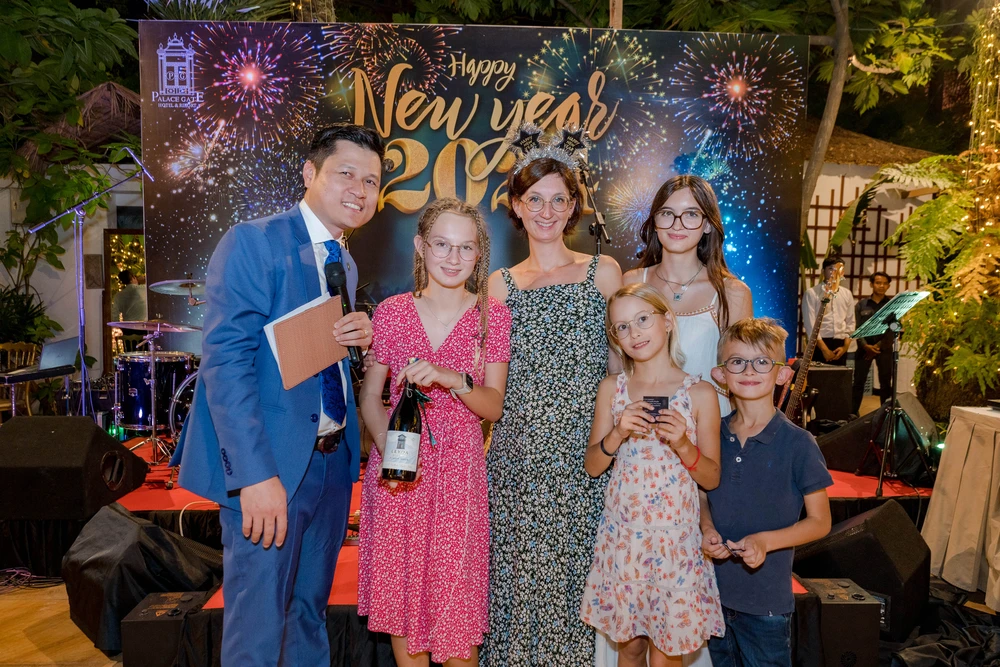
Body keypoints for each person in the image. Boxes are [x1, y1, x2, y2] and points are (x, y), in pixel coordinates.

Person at [171, 124, 381, 666]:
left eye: (372, 181)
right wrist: (254, 476)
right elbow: (226, 364)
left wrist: (357, 337)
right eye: (347, 173)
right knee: (258, 626)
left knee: (307, 616)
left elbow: (308, 356)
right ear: (310, 173)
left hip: (330, 466)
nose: (360, 189)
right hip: (272, 469)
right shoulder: (254, 241)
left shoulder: (343, 260)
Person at [484, 133, 623, 666]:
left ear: (573, 208)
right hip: (517, 460)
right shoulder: (497, 285)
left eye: (558, 199)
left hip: (584, 459)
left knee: (578, 587)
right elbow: (489, 379)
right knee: (517, 587)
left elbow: (620, 370)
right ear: (516, 206)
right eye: (534, 199)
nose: (546, 210)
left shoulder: (602, 272)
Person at [358, 197, 511, 666]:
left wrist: (454, 379)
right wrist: (392, 453)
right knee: (406, 620)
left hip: (459, 477)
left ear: (479, 253)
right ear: (421, 246)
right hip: (400, 478)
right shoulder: (391, 313)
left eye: (465, 247)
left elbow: (493, 405)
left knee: (457, 619)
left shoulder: (492, 315)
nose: (453, 257)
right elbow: (370, 397)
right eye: (442, 244)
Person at [580, 283, 724, 667]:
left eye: (643, 319)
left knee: (666, 653)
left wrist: (683, 444)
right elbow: (592, 466)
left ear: (667, 321)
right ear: (615, 337)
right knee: (630, 647)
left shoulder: (700, 393)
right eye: (622, 326)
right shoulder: (611, 389)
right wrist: (617, 433)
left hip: (676, 542)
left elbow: (711, 478)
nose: (635, 332)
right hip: (626, 539)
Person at [702, 318, 833, 667]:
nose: (749, 370)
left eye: (761, 361)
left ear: (782, 374)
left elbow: (820, 522)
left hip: (766, 605)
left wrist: (766, 541)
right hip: (712, 595)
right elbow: (701, 494)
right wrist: (706, 527)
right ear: (720, 374)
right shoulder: (711, 434)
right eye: (737, 361)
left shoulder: (799, 443)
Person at [625, 175, 753, 416]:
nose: (677, 225)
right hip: (642, 425)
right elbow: (618, 367)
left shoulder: (732, 293)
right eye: (667, 213)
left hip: (711, 426)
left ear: (708, 224)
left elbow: (743, 380)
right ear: (654, 221)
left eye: (691, 214)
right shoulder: (632, 283)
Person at [851, 271, 894, 414]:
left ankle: (885, 413)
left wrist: (877, 346)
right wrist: (865, 346)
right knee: (858, 382)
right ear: (871, 284)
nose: (881, 286)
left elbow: (892, 330)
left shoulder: (892, 305)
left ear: (888, 286)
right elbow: (856, 327)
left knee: (885, 383)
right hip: (864, 348)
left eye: (885, 283)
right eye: (878, 283)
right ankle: (853, 413)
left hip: (884, 349)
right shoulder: (862, 304)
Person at [801, 256, 854, 367]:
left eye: (838, 269)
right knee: (819, 377)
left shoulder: (847, 294)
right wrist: (824, 350)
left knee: (839, 377)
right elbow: (810, 325)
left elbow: (851, 322)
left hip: (841, 344)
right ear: (823, 271)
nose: (834, 273)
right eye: (831, 269)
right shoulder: (812, 293)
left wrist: (845, 347)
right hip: (819, 343)